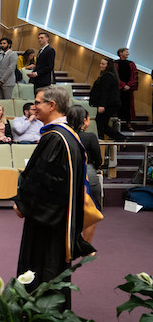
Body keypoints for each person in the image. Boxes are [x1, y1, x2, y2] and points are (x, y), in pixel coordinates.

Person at [14, 85, 95, 309]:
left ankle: (40, 319)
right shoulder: (68, 136)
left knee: (43, 268)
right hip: (58, 220)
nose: (34, 107)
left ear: (52, 105)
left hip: (47, 223)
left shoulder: (57, 139)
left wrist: (24, 204)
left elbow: (44, 182)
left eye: (38, 102)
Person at [67, 105, 101, 245]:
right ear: (85, 120)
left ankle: (68, 243)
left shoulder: (63, 135)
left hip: (67, 174)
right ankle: (86, 246)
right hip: (89, 173)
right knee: (92, 212)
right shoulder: (90, 137)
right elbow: (98, 160)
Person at [89, 57, 127, 142]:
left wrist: (102, 105)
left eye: (103, 64)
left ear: (108, 66)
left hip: (108, 104)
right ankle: (118, 138)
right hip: (109, 104)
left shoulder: (108, 76)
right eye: (100, 63)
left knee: (100, 123)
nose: (100, 65)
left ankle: (103, 142)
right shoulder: (108, 75)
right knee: (101, 123)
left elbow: (105, 91)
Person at [115, 47, 138, 131]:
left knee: (128, 106)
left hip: (128, 90)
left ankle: (128, 123)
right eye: (126, 52)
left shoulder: (131, 64)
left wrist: (128, 85)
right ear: (120, 53)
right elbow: (115, 76)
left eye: (128, 52)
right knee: (118, 106)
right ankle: (117, 124)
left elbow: (134, 76)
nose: (127, 53)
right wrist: (123, 85)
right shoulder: (115, 63)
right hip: (118, 89)